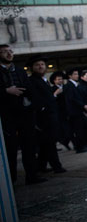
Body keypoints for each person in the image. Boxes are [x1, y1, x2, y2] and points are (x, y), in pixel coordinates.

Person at [0, 44, 46, 184]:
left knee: (29, 146)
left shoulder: (19, 71)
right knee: (10, 149)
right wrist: (6, 91)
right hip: (7, 115)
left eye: (10, 51)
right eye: (5, 52)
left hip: (24, 113)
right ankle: (11, 179)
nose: (9, 54)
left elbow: (29, 89)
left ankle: (32, 176)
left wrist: (34, 105)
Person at [27, 57, 65, 174]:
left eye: (42, 64)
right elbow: (37, 99)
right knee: (49, 143)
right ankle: (56, 166)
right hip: (43, 118)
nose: (40, 66)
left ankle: (41, 167)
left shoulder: (44, 80)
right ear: (32, 68)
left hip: (50, 116)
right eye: (37, 65)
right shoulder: (32, 81)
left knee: (46, 144)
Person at [63, 67, 87, 153]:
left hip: (78, 111)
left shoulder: (75, 85)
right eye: (75, 74)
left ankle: (83, 145)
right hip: (74, 112)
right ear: (70, 76)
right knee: (78, 130)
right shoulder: (68, 86)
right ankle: (79, 147)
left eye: (77, 74)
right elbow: (72, 99)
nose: (77, 76)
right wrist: (83, 105)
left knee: (83, 128)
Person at [49, 71, 72, 150]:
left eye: (61, 79)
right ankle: (63, 141)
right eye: (58, 79)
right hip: (59, 113)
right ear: (54, 81)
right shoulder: (52, 89)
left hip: (68, 111)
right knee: (64, 130)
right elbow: (50, 100)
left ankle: (67, 142)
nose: (60, 81)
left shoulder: (66, 87)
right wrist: (55, 94)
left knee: (71, 129)